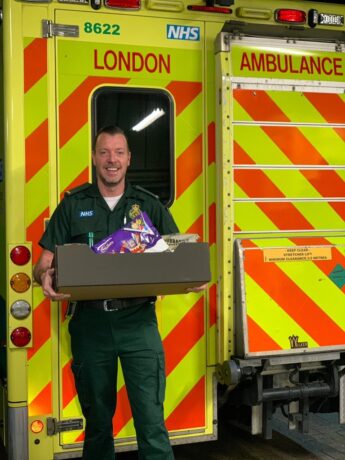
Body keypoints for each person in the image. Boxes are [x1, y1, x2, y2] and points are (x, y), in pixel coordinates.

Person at [33, 126, 180, 460]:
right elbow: (42, 264)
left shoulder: (149, 205)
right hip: (90, 325)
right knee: (98, 424)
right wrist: (46, 277)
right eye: (104, 152)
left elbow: (177, 251)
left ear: (129, 159)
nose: (111, 160)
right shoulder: (73, 205)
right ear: (94, 158)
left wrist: (190, 276)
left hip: (138, 324)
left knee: (151, 422)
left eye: (118, 153)